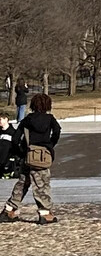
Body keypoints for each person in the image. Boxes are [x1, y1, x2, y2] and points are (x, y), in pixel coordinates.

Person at [1, 93, 61, 225]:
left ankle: (9, 210)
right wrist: (49, 146)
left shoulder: (28, 119)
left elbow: (16, 138)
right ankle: (45, 213)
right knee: (42, 184)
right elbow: (57, 132)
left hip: (28, 156)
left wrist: (22, 152)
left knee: (22, 183)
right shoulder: (50, 119)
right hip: (42, 157)